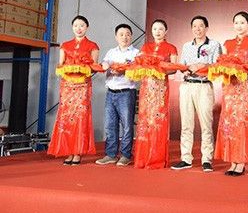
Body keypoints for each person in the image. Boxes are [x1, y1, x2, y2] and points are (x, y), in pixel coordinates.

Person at [171, 15, 221, 172]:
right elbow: (182, 65)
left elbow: (218, 66)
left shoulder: (214, 45)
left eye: (200, 26)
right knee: (186, 124)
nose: (197, 29)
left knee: (206, 125)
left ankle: (207, 159)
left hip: (204, 86)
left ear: (206, 28)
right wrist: (185, 69)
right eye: (194, 26)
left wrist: (201, 65)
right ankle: (186, 158)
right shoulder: (187, 46)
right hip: (187, 85)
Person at [214, 11, 248, 176]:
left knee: (241, 121)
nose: (239, 26)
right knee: (229, 121)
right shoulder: (227, 43)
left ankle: (240, 161)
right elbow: (221, 63)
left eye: (242, 22)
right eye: (236, 23)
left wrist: (244, 67)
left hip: (244, 86)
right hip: (229, 86)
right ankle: (232, 161)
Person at [48, 15, 99, 165]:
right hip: (67, 86)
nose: (79, 28)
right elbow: (60, 64)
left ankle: (78, 152)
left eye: (82, 25)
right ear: (72, 27)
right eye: (76, 25)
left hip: (82, 85)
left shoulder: (93, 46)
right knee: (66, 117)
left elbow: (94, 67)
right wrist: (68, 68)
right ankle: (68, 151)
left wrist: (83, 67)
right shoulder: (65, 45)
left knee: (80, 117)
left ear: (87, 27)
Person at [134, 19, 178, 169]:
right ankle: (142, 158)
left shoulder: (171, 48)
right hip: (146, 89)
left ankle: (156, 158)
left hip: (160, 89)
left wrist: (158, 68)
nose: (157, 32)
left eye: (160, 29)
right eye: (154, 29)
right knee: (145, 121)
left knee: (158, 121)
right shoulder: (145, 47)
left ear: (166, 31)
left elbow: (174, 68)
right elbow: (138, 64)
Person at [96, 24, 139, 166]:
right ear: (116, 37)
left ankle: (126, 155)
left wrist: (124, 70)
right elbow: (104, 64)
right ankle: (110, 154)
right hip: (111, 92)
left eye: (127, 34)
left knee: (127, 125)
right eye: (121, 34)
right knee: (110, 125)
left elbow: (138, 72)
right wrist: (105, 65)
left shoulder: (136, 53)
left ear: (131, 36)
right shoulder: (111, 52)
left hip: (126, 92)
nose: (124, 37)